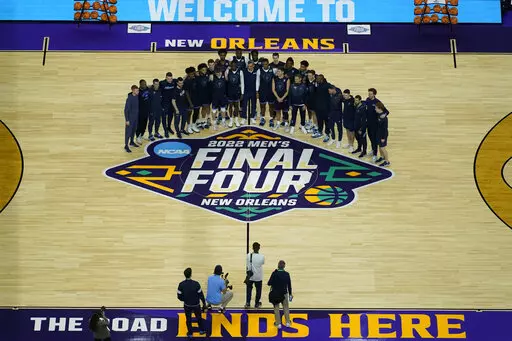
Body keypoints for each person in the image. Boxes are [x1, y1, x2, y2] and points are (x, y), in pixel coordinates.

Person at [177, 268, 207, 338]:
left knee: (188, 319)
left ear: (185, 275)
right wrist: (204, 304)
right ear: (191, 275)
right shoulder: (196, 284)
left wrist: (185, 300)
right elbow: (201, 295)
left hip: (187, 305)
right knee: (199, 317)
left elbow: (179, 296)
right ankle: (201, 330)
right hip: (196, 305)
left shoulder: (181, 284)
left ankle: (190, 333)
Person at [268, 260, 292, 329]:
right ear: (284, 266)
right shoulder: (287, 274)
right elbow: (289, 285)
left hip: (276, 293)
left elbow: (269, 283)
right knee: (286, 308)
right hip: (284, 294)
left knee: (276, 308)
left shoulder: (274, 273)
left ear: (278, 266)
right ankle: (288, 322)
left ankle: (278, 324)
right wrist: (290, 294)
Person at [245, 242, 265, 309]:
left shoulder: (248, 255)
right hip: (258, 277)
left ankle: (248, 303)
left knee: (249, 290)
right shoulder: (262, 256)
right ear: (259, 248)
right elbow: (262, 263)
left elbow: (247, 264)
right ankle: (256, 303)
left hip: (250, 276)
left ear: (252, 248)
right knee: (258, 291)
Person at [225, 61, 244, 128]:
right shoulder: (228, 71)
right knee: (230, 106)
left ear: (237, 66)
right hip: (230, 92)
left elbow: (242, 83)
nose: (233, 67)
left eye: (235, 65)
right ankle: (231, 120)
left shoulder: (240, 72)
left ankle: (236, 120)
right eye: (232, 66)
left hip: (237, 92)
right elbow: (226, 81)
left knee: (236, 106)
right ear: (230, 66)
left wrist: (242, 93)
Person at [241, 61, 260, 125]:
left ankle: (252, 117)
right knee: (244, 105)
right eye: (248, 66)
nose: (249, 67)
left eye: (251, 66)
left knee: (253, 105)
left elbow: (258, 81)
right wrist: (242, 92)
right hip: (246, 91)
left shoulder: (257, 71)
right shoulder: (244, 71)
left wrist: (257, 91)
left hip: (253, 91)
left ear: (253, 65)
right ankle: (244, 117)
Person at [258, 58, 275, 127]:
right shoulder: (259, 71)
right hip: (262, 91)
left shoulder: (273, 70)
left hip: (271, 91)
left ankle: (271, 119)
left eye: (266, 64)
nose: (265, 65)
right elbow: (257, 81)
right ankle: (262, 118)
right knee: (262, 106)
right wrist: (257, 91)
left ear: (268, 63)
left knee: (271, 107)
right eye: (263, 64)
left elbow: (276, 80)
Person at [160, 72, 177, 137]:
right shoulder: (162, 83)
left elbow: (181, 79)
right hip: (164, 103)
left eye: (171, 79)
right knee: (164, 117)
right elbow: (154, 85)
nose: (170, 80)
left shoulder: (174, 81)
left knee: (170, 116)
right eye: (168, 79)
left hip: (171, 103)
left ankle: (169, 127)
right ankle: (165, 130)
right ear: (166, 78)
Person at [196, 63, 213, 129]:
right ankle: (197, 122)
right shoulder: (196, 76)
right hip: (198, 96)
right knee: (197, 110)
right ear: (199, 70)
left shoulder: (208, 76)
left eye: (205, 70)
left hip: (206, 95)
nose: (204, 71)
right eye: (203, 70)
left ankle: (203, 121)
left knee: (204, 108)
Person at [314, 74, 331, 139]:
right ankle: (320, 131)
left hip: (326, 108)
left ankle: (327, 134)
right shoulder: (317, 85)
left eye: (318, 79)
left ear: (322, 79)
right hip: (318, 107)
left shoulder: (327, 85)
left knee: (326, 121)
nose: (317, 80)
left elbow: (334, 88)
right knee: (319, 120)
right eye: (317, 79)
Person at [184, 67, 200, 134]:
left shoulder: (196, 78)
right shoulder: (186, 81)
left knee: (196, 112)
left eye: (193, 73)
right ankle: (188, 126)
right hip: (188, 100)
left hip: (196, 98)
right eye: (191, 74)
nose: (193, 75)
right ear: (188, 74)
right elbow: (186, 93)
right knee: (189, 113)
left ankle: (193, 125)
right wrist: (190, 102)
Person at [365, 88, 380, 161]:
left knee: (374, 140)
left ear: (374, 94)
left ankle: (375, 154)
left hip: (375, 124)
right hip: (368, 123)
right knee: (370, 137)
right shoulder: (367, 100)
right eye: (368, 94)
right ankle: (372, 149)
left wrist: (382, 116)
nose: (369, 95)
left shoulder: (377, 102)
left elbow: (386, 111)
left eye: (370, 94)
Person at [124, 85, 139, 153]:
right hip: (130, 119)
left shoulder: (137, 96)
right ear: (133, 90)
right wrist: (127, 120)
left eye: (138, 90)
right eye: (136, 91)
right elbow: (126, 110)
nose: (138, 92)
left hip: (136, 117)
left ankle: (132, 142)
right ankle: (126, 145)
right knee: (128, 132)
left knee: (134, 130)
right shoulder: (129, 99)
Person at [375, 102, 390, 167]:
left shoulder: (384, 118)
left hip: (383, 135)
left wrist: (383, 138)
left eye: (376, 108)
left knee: (383, 148)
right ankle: (381, 157)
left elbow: (384, 128)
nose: (375, 109)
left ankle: (387, 161)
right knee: (380, 146)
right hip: (379, 133)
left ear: (379, 108)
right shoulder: (379, 114)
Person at [136, 79, 150, 144]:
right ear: (140, 85)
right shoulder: (138, 92)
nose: (145, 85)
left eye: (145, 84)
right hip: (140, 112)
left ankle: (142, 135)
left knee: (145, 124)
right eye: (143, 84)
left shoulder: (147, 88)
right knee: (140, 125)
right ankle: (137, 137)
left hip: (147, 110)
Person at [305, 70, 318, 134]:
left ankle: (316, 126)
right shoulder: (307, 81)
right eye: (308, 75)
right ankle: (312, 123)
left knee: (314, 113)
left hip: (314, 101)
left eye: (310, 75)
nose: (309, 77)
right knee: (310, 112)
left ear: (313, 75)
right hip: (308, 100)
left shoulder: (316, 82)